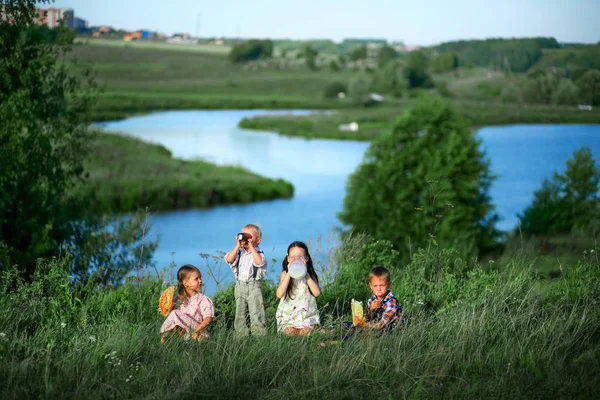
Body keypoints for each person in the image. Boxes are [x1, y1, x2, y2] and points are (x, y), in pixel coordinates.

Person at [224, 223, 267, 337]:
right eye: (243, 235)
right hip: (240, 285)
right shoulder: (238, 252)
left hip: (254, 286)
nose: (245, 239)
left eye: (249, 237)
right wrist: (237, 245)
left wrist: (251, 247)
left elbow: (259, 262)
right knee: (240, 313)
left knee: (256, 312)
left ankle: (259, 336)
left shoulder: (259, 253)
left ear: (258, 240)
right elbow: (229, 259)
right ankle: (240, 336)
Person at [275, 241, 321, 335]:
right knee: (290, 333)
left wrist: (306, 273)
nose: (297, 259)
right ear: (288, 259)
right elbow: (279, 294)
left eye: (300, 256)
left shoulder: (310, 275)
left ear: (306, 258)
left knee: (306, 332)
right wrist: (289, 272)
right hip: (289, 318)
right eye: (293, 257)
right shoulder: (285, 274)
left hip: (307, 317)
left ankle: (315, 330)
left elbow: (316, 293)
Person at [160, 264, 214, 342]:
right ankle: (166, 339)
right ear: (186, 283)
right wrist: (166, 306)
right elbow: (168, 313)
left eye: (200, 278)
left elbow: (208, 319)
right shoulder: (179, 299)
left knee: (175, 313)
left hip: (198, 332)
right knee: (174, 313)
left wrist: (196, 331)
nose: (200, 280)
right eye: (196, 279)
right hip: (183, 333)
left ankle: (166, 338)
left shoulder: (202, 299)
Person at [352, 265, 403, 332]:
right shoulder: (371, 300)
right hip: (376, 328)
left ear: (389, 284)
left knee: (359, 330)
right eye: (375, 286)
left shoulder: (390, 302)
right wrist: (371, 310)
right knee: (351, 327)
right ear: (371, 286)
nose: (379, 289)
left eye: (382, 285)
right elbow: (369, 319)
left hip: (391, 330)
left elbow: (382, 325)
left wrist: (363, 324)